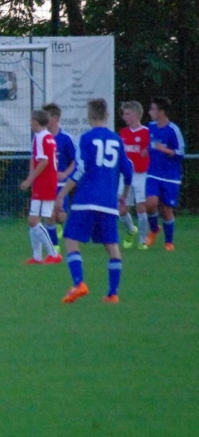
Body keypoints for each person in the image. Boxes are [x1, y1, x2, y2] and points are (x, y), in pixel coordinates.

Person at [56, 98, 133, 304]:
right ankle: (113, 294)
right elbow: (128, 171)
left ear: (89, 115)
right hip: (108, 203)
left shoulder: (86, 138)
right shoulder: (117, 140)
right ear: (107, 115)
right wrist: (123, 196)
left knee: (71, 239)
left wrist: (62, 194)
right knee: (112, 246)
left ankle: (79, 283)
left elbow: (80, 169)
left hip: (86, 200)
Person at [19, 111, 63, 264]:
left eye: (31, 121)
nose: (30, 123)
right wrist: (32, 179)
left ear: (36, 122)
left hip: (44, 182)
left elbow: (43, 161)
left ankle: (53, 253)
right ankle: (37, 256)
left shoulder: (40, 137)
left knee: (33, 220)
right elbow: (37, 159)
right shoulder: (49, 137)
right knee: (34, 219)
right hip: (47, 182)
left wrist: (29, 180)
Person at [143, 96, 185, 251]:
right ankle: (154, 229)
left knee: (166, 210)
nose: (150, 111)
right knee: (150, 203)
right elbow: (150, 144)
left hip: (170, 176)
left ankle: (168, 242)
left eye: (152, 109)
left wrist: (165, 150)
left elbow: (180, 153)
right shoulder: (151, 127)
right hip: (153, 173)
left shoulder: (173, 130)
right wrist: (146, 150)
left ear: (161, 112)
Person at [43, 103, 78, 249]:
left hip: (62, 184)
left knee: (61, 216)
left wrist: (65, 174)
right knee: (50, 215)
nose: (44, 120)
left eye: (47, 117)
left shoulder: (66, 138)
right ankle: (54, 248)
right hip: (47, 183)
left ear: (56, 119)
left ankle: (60, 226)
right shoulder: (41, 138)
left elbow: (75, 161)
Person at [117, 101, 150, 249]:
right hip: (126, 176)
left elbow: (152, 151)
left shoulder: (146, 132)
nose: (124, 117)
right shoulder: (123, 133)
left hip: (141, 175)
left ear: (136, 115)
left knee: (141, 207)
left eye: (127, 114)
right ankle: (131, 229)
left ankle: (142, 240)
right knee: (122, 209)